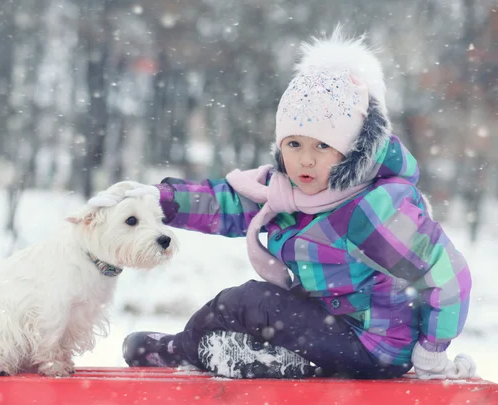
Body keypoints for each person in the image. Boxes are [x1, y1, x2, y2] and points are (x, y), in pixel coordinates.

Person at [90, 29, 476, 380]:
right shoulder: (288, 194)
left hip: (377, 348)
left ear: (352, 151)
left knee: (247, 302)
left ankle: (178, 349)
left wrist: (432, 351)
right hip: (333, 326)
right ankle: (265, 357)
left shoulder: (375, 207)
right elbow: (222, 204)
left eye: (323, 146)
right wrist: (158, 200)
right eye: (294, 144)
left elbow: (448, 276)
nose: (305, 160)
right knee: (256, 311)